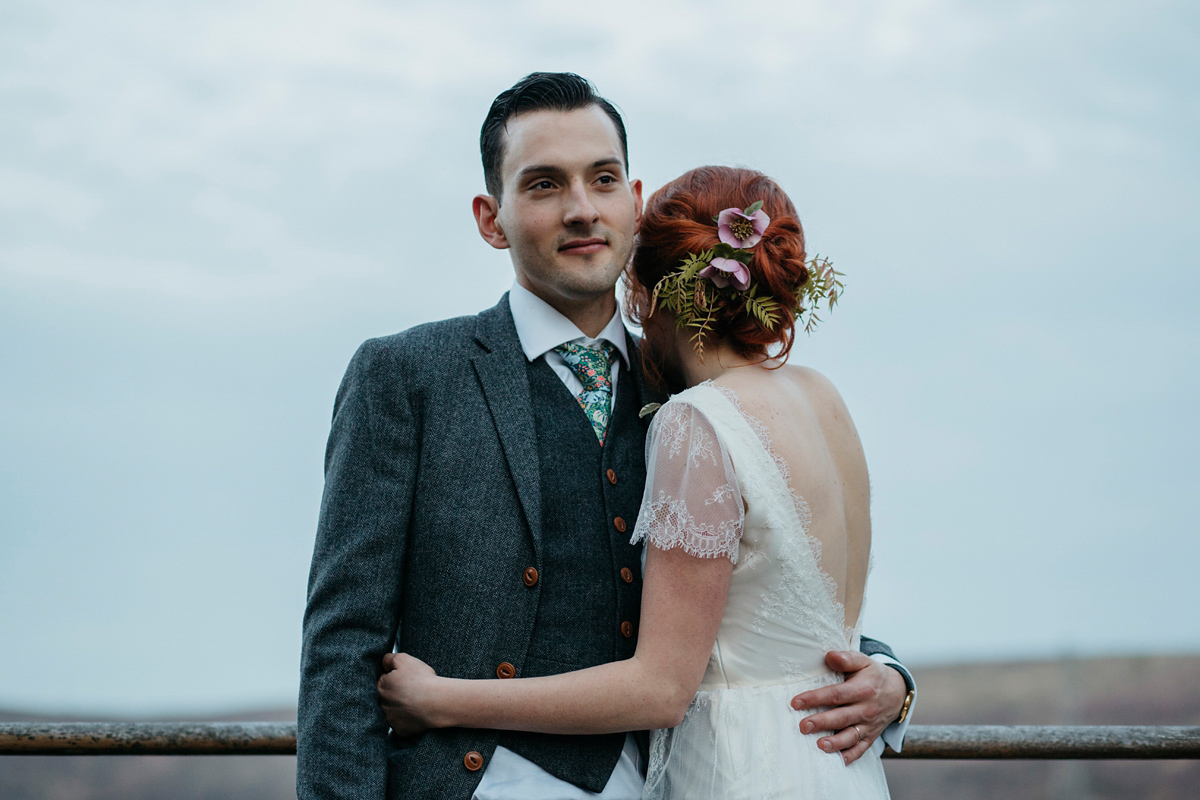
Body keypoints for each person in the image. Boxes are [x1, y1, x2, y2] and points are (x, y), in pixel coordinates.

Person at [298, 73, 913, 800]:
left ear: (635, 199)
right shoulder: (405, 376)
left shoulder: (701, 396)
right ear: (491, 219)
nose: (582, 209)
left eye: (603, 178)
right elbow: (343, 643)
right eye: (544, 185)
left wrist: (890, 677)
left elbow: (767, 576)